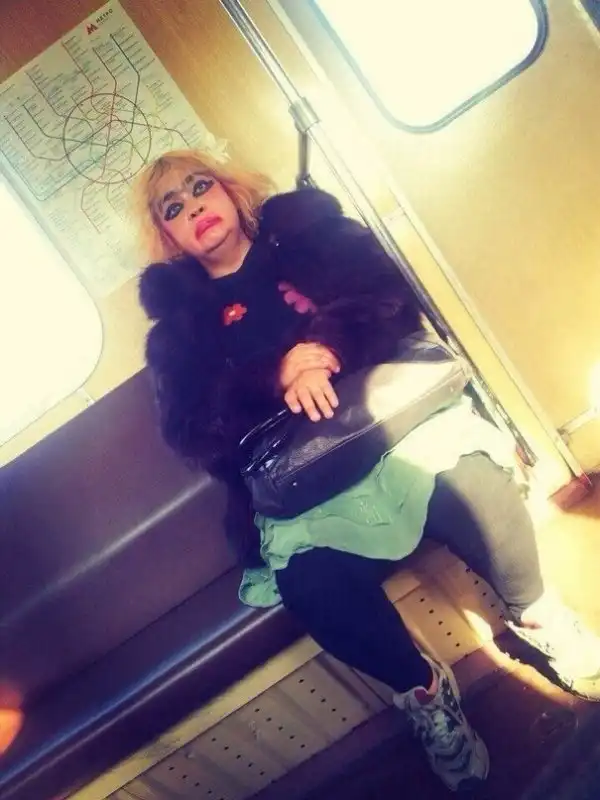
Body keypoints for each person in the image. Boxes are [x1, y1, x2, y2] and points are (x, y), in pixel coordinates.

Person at [135, 149, 600, 792]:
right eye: (174, 208)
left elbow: (386, 295)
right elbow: (189, 429)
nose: (194, 208)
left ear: (228, 189)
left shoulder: (304, 233)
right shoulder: (178, 334)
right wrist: (276, 376)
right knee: (310, 585)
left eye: (199, 187)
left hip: (394, 426)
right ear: (168, 236)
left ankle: (541, 618)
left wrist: (325, 348)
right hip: (302, 481)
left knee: (472, 484)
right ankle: (426, 695)